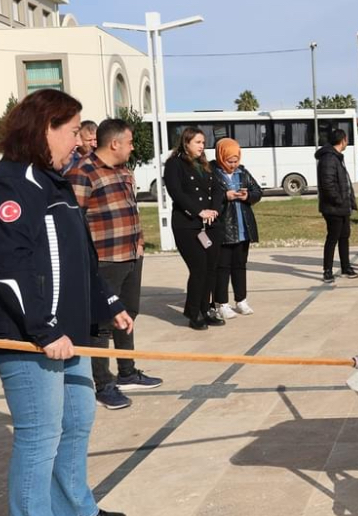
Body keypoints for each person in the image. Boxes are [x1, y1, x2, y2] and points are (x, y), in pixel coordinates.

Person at [0, 89, 132, 516]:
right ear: (45, 128)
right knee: (39, 435)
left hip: (70, 333)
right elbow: (8, 268)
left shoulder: (53, 182)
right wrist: (42, 328)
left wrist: (108, 303)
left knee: (78, 420)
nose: (82, 140)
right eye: (73, 129)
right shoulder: (7, 186)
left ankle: (72, 510)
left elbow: (79, 258)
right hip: (27, 337)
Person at [65, 117, 161, 411]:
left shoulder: (125, 171)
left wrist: (141, 243)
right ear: (115, 143)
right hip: (104, 259)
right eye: (130, 142)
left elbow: (131, 210)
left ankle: (127, 372)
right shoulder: (83, 173)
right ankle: (103, 383)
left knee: (129, 313)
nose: (133, 148)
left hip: (131, 254)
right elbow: (73, 220)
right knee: (102, 325)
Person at [163, 127, 224, 330]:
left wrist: (213, 210)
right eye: (198, 142)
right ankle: (194, 312)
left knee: (211, 267)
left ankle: (206, 309)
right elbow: (176, 192)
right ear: (186, 143)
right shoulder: (174, 164)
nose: (202, 146)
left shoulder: (204, 164)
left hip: (210, 224)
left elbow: (217, 188)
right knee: (198, 267)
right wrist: (199, 211)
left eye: (203, 142)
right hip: (187, 224)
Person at [212, 138, 262, 308]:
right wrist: (225, 197)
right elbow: (207, 199)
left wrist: (248, 196)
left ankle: (241, 300)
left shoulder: (243, 172)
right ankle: (222, 303)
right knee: (223, 267)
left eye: (235, 161)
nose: (233, 165)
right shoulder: (212, 173)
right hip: (223, 228)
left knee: (240, 266)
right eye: (229, 161)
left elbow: (258, 191)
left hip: (243, 228)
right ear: (220, 157)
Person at [316, 128, 358, 282]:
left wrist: (349, 201)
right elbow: (328, 185)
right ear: (343, 140)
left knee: (344, 237)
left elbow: (343, 181)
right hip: (334, 207)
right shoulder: (329, 158)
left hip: (343, 207)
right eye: (347, 140)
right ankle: (327, 270)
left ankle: (346, 266)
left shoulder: (337, 157)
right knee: (333, 238)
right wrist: (339, 200)